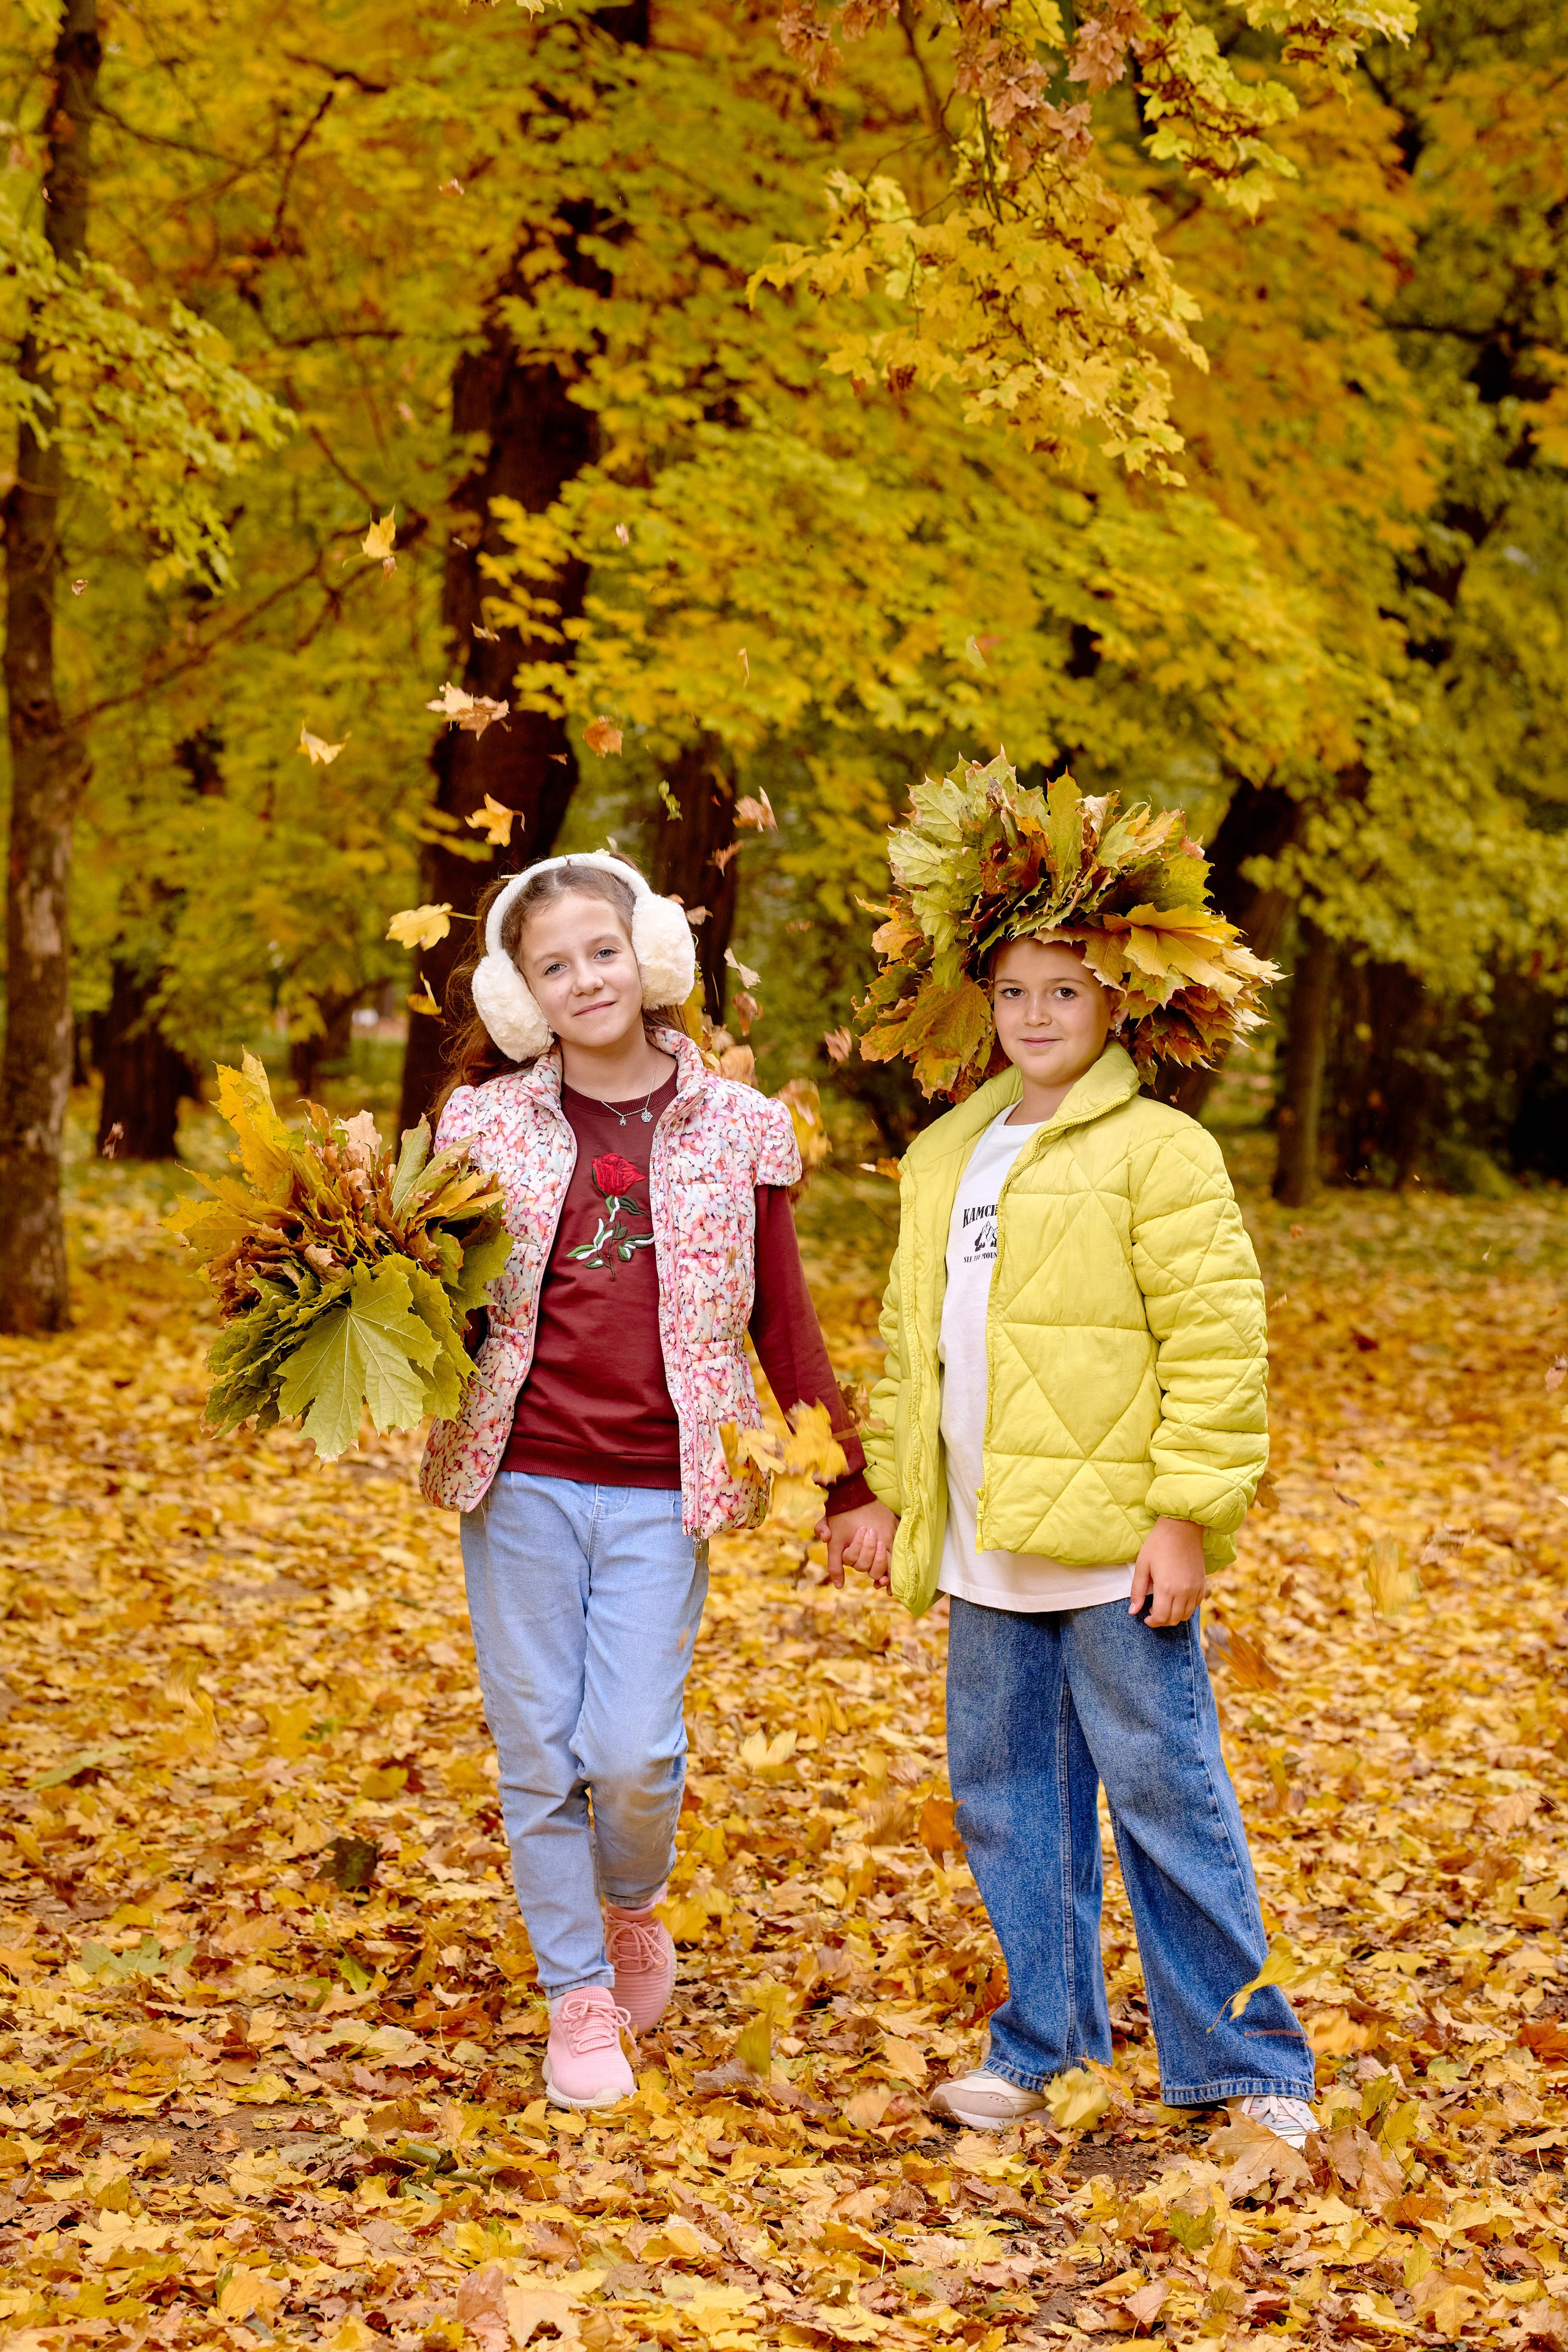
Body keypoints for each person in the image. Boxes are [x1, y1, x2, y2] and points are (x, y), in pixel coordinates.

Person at [834, 759, 1318, 2148]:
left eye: (1064, 990)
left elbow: (1216, 1346)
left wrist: (1185, 1517)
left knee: (1168, 1797)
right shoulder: (949, 1154)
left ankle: (1246, 2064)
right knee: (1009, 1804)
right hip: (986, 1548)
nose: (1036, 1015)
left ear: (1117, 1002)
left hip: (1114, 1551)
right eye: (1012, 993)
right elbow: (910, 1343)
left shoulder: (1161, 1152)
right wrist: (892, 1493)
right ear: (982, 1005)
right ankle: (1046, 2048)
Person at [421, 851, 892, 2111]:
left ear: (651, 957)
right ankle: (575, 1994)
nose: (584, 978)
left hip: (661, 1487)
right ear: (520, 995)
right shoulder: (481, 1126)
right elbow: (435, 1296)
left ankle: (628, 1903)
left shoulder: (739, 1127)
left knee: (628, 1750)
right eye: (551, 966)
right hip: (518, 1476)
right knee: (538, 1749)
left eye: (601, 951)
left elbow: (784, 1321)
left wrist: (847, 1484)